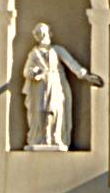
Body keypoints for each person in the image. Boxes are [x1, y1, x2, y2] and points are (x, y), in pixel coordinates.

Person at [20, 20, 103, 151]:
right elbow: (26, 71)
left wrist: (85, 75)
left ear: (49, 34)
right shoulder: (34, 54)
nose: (42, 37)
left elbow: (72, 64)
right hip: (40, 86)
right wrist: (34, 72)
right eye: (39, 34)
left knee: (55, 110)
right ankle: (43, 139)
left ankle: (55, 137)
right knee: (40, 112)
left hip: (55, 84)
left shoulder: (57, 50)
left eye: (44, 33)